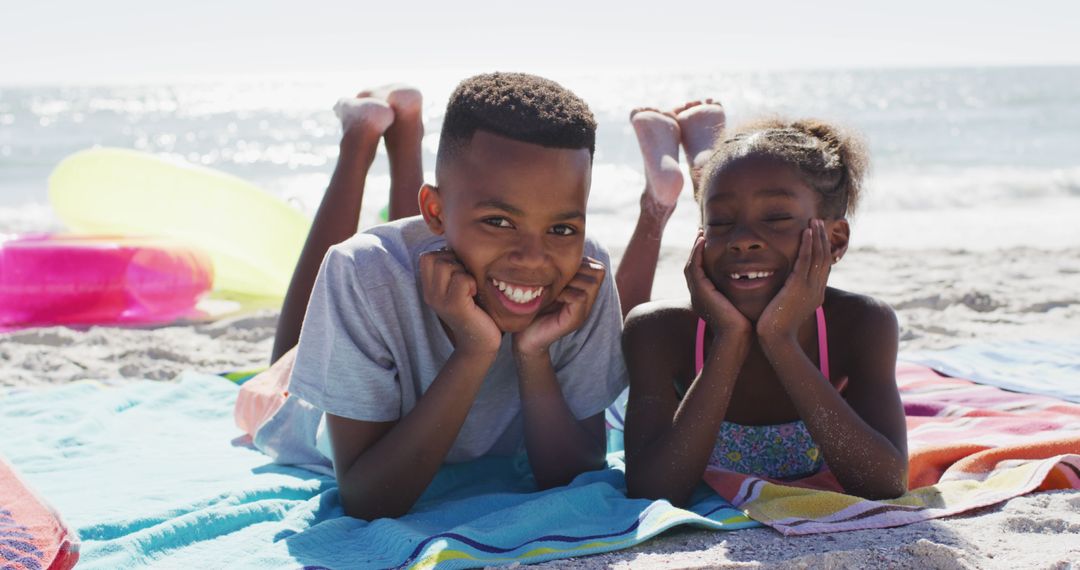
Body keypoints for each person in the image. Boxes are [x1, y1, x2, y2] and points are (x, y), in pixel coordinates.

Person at [238, 73, 627, 521]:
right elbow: (367, 499)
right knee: (287, 353)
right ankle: (359, 139)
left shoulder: (581, 273)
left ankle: (405, 131)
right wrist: (474, 351)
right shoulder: (359, 274)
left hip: (417, 273)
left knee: (412, 258)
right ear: (434, 212)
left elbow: (573, 478)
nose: (534, 260)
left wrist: (534, 352)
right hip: (297, 402)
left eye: (561, 229)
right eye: (499, 221)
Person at [618, 101, 908, 505]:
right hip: (655, 358)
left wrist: (779, 339)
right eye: (718, 223)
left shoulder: (863, 325)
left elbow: (885, 484)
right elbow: (654, 489)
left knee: (734, 178)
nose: (741, 238)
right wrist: (729, 340)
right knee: (619, 331)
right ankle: (659, 201)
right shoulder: (658, 331)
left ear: (836, 240)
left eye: (775, 218)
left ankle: (706, 156)